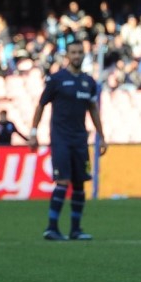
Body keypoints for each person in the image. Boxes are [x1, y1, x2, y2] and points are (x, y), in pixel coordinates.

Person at [29, 40, 107, 241]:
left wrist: (101, 136)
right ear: (67, 55)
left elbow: (93, 109)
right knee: (63, 181)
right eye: (73, 52)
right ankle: (52, 228)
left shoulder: (89, 82)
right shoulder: (56, 79)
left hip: (80, 139)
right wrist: (33, 132)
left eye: (80, 52)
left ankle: (76, 229)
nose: (77, 56)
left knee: (80, 183)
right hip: (60, 138)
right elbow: (41, 105)